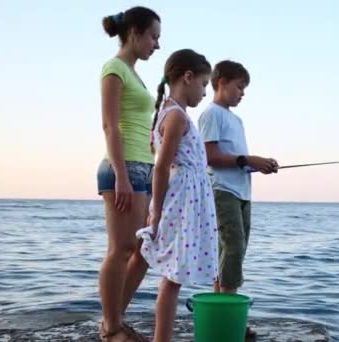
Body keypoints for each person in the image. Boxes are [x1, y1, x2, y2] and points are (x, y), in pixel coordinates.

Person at [135, 49, 218, 342]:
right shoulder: (176, 117)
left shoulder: (173, 114)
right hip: (181, 203)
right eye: (204, 84)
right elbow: (160, 167)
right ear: (188, 78)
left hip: (187, 200)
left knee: (174, 278)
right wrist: (156, 209)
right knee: (172, 278)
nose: (205, 92)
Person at [198, 60, 278, 339]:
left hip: (243, 192)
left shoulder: (237, 119)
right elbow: (210, 157)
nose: (242, 93)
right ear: (221, 82)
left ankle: (222, 313)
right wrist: (247, 159)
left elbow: (236, 159)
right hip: (222, 191)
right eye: (239, 87)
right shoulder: (211, 114)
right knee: (232, 249)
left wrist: (259, 164)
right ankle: (229, 316)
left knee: (235, 252)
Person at [97, 6, 161, 342]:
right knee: (121, 249)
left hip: (143, 169)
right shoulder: (114, 68)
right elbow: (110, 125)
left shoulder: (135, 74)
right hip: (123, 169)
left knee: (144, 249)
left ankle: (113, 319)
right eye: (153, 36)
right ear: (134, 32)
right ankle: (110, 327)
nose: (157, 44)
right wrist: (121, 175)